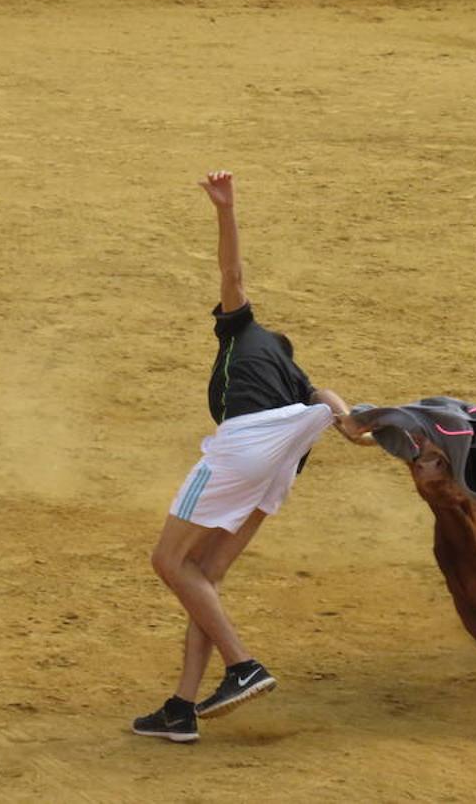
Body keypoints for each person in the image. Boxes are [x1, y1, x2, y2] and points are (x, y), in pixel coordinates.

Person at [132, 170, 368, 743]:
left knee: (169, 563)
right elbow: (326, 399)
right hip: (285, 464)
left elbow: (231, 271)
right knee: (202, 576)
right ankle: (183, 708)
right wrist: (348, 424)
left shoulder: (241, 331)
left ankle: (242, 665)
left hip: (248, 446)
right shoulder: (294, 373)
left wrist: (224, 207)